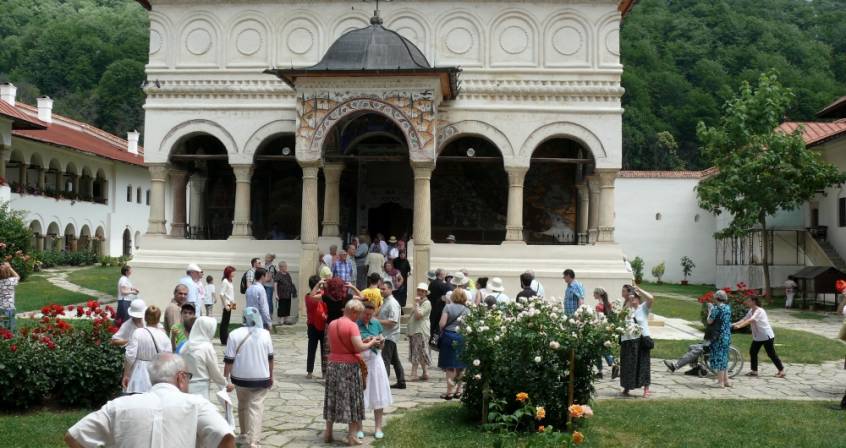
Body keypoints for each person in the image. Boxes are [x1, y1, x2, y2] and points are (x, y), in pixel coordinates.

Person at [65, 353, 235, 448]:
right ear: (181, 378)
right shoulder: (196, 404)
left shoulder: (119, 406)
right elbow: (225, 437)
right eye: (188, 377)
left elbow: (74, 436)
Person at [323, 299, 380, 446]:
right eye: (358, 314)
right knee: (353, 400)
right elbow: (359, 347)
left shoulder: (332, 324)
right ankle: (352, 436)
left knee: (332, 398)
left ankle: (328, 432)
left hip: (333, 365)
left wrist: (363, 340)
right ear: (353, 311)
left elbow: (330, 345)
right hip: (348, 367)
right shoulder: (352, 325)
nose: (359, 317)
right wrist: (372, 342)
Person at [224, 307, 274, 448]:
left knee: (243, 404)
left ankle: (244, 433)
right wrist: (271, 375)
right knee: (256, 408)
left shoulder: (234, 334)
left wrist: (225, 378)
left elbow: (229, 360)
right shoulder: (265, 334)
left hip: (240, 378)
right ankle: (254, 441)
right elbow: (270, 358)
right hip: (261, 378)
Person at [356, 302, 390, 440]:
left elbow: (382, 345)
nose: (368, 317)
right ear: (361, 312)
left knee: (378, 394)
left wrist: (380, 342)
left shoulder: (376, 323)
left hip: (376, 362)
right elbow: (354, 345)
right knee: (359, 396)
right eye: (365, 314)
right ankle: (359, 428)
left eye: (370, 314)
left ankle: (378, 428)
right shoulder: (355, 325)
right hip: (361, 363)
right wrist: (365, 340)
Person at [732, 296, 785, 378]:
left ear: (754, 301)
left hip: (766, 336)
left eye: (748, 300)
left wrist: (740, 326)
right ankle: (754, 371)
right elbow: (745, 319)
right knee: (753, 352)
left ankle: (781, 371)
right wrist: (734, 324)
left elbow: (751, 320)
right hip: (758, 337)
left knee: (771, 354)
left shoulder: (759, 311)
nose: (747, 302)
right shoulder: (751, 310)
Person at [123, 306, 171, 394]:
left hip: (138, 375)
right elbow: (168, 358)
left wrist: (126, 374)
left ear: (145, 317)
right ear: (158, 319)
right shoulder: (164, 336)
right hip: (156, 374)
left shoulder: (138, 332)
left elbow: (130, 356)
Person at [619, 284, 654, 398]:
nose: (632, 299)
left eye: (634, 297)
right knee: (628, 365)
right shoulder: (627, 309)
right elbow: (620, 317)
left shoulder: (643, 308)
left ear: (638, 299)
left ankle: (646, 389)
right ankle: (627, 387)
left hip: (641, 340)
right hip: (628, 340)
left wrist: (640, 290)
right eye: (631, 297)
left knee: (643, 364)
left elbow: (651, 298)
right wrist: (628, 302)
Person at [184, 316, 231, 399]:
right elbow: (215, 372)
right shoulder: (207, 347)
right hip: (201, 388)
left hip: (185, 386)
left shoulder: (186, 345)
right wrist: (226, 384)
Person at [439, 288, 469, 400]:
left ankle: (449, 392)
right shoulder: (467, 310)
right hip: (462, 337)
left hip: (449, 337)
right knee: (461, 365)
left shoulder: (448, 307)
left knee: (450, 366)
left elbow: (442, 324)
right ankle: (458, 391)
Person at [377, 279, 406, 389]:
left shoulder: (392, 303)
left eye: (383, 289)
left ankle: (383, 384)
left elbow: (392, 322)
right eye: (380, 289)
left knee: (385, 359)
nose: (381, 291)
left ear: (390, 289)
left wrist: (376, 321)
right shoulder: (386, 301)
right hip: (387, 334)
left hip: (389, 335)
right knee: (395, 359)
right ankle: (401, 381)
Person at [707, 290, 733, 388]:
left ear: (716, 298)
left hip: (718, 336)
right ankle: (726, 381)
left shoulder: (716, 309)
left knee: (719, 358)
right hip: (727, 335)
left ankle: (720, 382)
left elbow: (709, 321)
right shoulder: (727, 308)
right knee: (724, 357)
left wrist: (710, 310)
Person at [305, 275, 328, 379]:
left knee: (324, 351)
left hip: (323, 325)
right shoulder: (309, 296)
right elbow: (312, 298)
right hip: (313, 325)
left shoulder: (323, 295)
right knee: (312, 349)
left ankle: (324, 372)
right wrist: (319, 285)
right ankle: (310, 371)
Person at [593, 288, 619, 379]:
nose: (593, 295)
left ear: (598, 294)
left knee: (598, 351)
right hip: (607, 329)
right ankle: (613, 364)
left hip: (600, 329)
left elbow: (598, 319)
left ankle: (600, 371)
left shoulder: (598, 306)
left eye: (594, 293)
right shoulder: (608, 304)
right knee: (605, 349)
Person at [408, 282, 432, 381]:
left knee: (417, 352)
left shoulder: (426, 303)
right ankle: (425, 373)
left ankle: (414, 374)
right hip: (415, 330)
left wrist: (417, 304)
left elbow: (418, 316)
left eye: (422, 291)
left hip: (420, 331)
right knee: (421, 352)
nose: (420, 292)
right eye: (419, 290)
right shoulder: (420, 302)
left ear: (426, 293)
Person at [428, 268, 450, 346]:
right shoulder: (443, 285)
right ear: (441, 275)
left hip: (432, 306)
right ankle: (435, 340)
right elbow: (445, 297)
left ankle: (430, 339)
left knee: (432, 324)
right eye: (444, 274)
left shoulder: (431, 283)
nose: (445, 275)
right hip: (440, 307)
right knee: (438, 325)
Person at [0, 262, 21, 332]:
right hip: (10, 307)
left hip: (1, 307)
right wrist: (10, 268)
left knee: (3, 326)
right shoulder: (11, 281)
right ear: (8, 271)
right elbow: (18, 276)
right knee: (11, 327)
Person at [275, 260, 297, 325]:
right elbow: (275, 284)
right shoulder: (278, 274)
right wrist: (276, 294)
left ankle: (286, 320)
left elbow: (290, 283)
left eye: (286, 266)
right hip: (281, 294)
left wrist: (293, 291)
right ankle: (281, 320)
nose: (286, 267)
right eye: (285, 266)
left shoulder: (287, 274)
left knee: (287, 306)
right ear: (281, 267)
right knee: (282, 306)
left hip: (288, 294)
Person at [219, 266, 236, 345]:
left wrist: (233, 302)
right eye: (233, 272)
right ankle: (223, 339)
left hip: (231, 303)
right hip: (227, 303)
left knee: (227, 321)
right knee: (224, 321)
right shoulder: (225, 281)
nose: (234, 273)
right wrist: (225, 305)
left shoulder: (230, 281)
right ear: (229, 273)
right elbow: (221, 294)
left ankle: (225, 337)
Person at [262, 254, 277, 318]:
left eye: (267, 258)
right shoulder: (265, 265)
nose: (265, 259)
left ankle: (270, 314)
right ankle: (265, 313)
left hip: (269, 286)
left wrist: (261, 281)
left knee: (268, 300)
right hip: (264, 285)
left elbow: (269, 278)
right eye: (265, 257)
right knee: (264, 300)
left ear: (270, 259)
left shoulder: (271, 267)